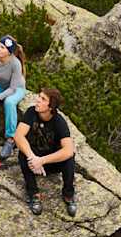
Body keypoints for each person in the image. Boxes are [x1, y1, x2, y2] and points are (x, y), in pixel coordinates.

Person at [13, 88, 77, 217]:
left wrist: (42, 161)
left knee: (70, 159)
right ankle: (34, 194)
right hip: (34, 158)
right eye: (39, 97)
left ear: (51, 106)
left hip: (49, 161)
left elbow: (69, 150)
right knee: (22, 153)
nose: (37, 100)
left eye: (43, 99)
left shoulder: (59, 122)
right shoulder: (31, 112)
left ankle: (68, 195)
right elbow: (18, 136)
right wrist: (32, 158)